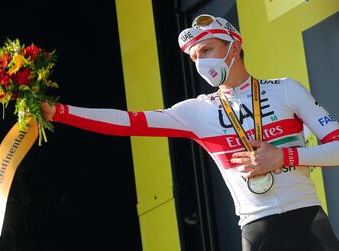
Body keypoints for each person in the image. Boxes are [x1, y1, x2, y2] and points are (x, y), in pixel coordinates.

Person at [41, 14, 339, 251]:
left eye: (207, 50)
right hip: (257, 231)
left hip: (308, 221)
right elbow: (130, 122)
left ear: (234, 47)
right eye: (195, 57)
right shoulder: (198, 110)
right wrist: (61, 113)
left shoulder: (285, 89)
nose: (200, 63)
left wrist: (283, 156)